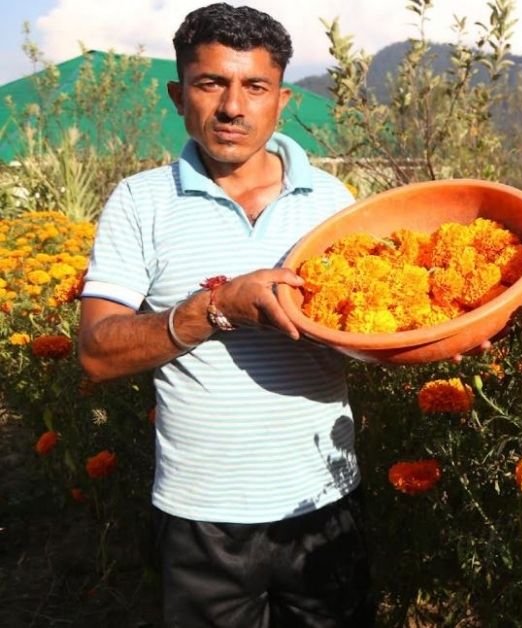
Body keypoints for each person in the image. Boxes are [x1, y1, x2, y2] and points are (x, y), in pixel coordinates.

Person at [78, 4, 373, 626]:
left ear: (282, 99)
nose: (233, 107)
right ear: (177, 94)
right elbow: (98, 353)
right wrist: (215, 308)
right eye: (211, 83)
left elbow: (364, 332)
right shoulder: (140, 202)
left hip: (324, 501)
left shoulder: (333, 202)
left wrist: (438, 332)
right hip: (200, 516)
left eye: (254, 87)